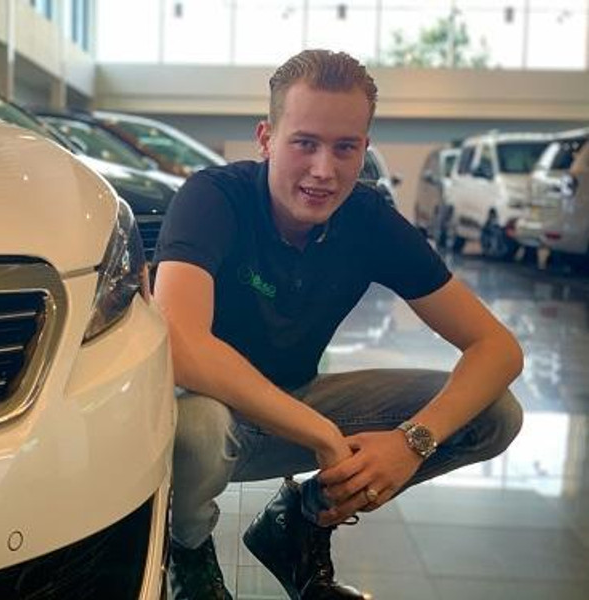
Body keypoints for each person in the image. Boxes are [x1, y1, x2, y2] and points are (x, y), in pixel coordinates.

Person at [152, 49, 524, 600]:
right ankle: (187, 550)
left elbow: (498, 347)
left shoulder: (368, 221)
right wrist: (321, 433)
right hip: (201, 413)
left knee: (494, 415)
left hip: (295, 399)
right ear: (266, 139)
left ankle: (299, 520)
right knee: (200, 428)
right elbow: (181, 343)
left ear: (364, 149)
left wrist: (412, 443)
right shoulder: (214, 197)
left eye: (345, 147)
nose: (324, 170)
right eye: (305, 143)